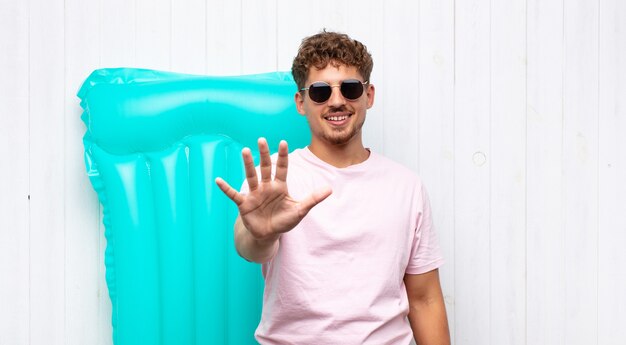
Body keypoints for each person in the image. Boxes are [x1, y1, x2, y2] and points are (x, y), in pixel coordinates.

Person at [215, 30, 450, 345]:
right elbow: (250, 248)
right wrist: (260, 232)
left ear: (369, 95)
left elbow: (425, 299)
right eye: (320, 92)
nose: (337, 101)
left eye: (350, 88)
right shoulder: (271, 182)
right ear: (301, 102)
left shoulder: (406, 186)